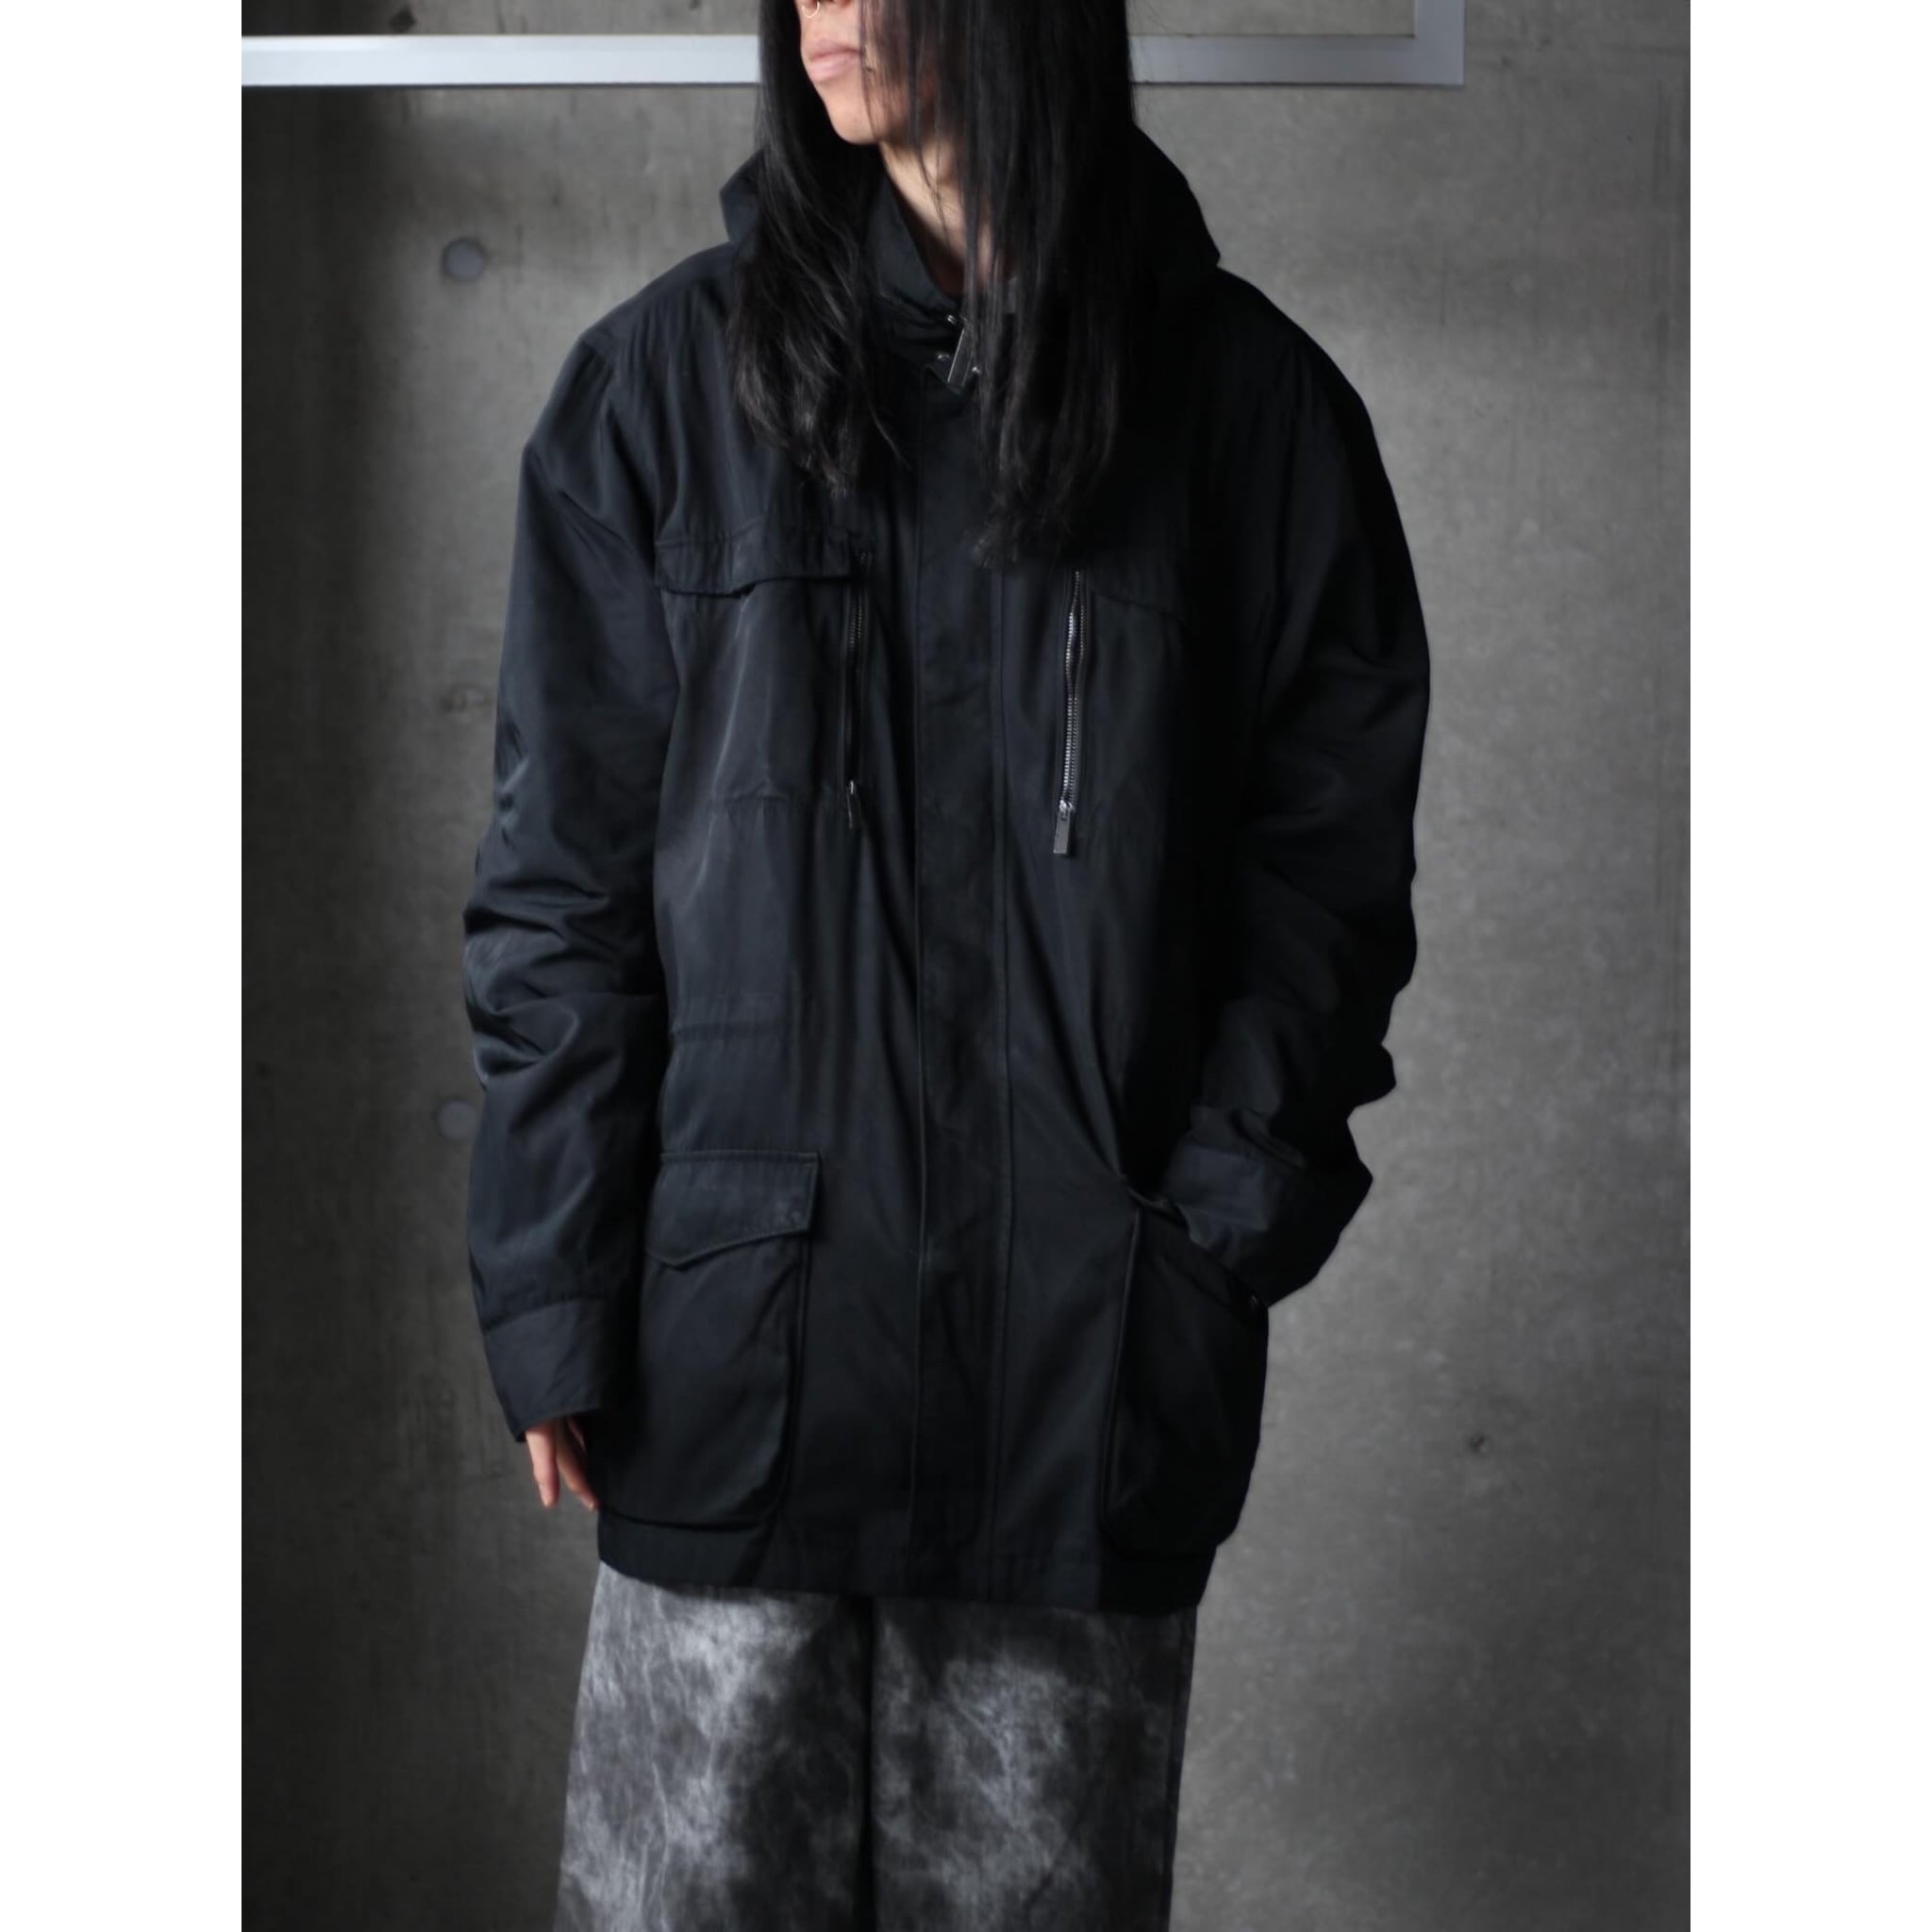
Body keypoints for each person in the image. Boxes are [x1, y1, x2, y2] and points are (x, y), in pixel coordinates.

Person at [458, 0, 1432, 1924]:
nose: (823, 9)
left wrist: (1204, 1241)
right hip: (736, 1361)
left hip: (1083, 1383)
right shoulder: (663, 392)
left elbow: (1324, 893)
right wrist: (551, 1281)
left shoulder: (1249, 415)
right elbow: (560, 888)